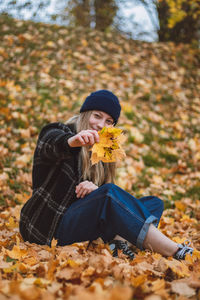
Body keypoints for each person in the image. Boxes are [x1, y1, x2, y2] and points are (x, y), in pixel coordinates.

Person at [19, 90, 193, 260]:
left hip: (82, 223)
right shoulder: (61, 132)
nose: (101, 125)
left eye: (109, 121)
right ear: (86, 114)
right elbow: (49, 143)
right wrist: (72, 141)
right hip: (48, 227)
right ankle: (176, 251)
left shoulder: (105, 148)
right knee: (109, 193)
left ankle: (118, 242)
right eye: (97, 116)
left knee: (154, 204)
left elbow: (101, 202)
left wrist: (96, 191)